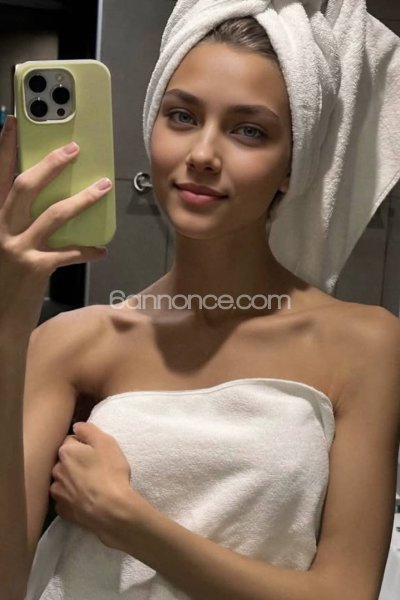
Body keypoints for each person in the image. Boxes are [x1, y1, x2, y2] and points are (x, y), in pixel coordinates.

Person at [1, 14, 400, 600]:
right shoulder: (72, 340)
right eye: (183, 117)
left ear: (292, 166)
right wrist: (10, 320)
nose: (204, 153)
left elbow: (345, 592)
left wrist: (129, 520)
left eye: (249, 131)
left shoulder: (364, 344)